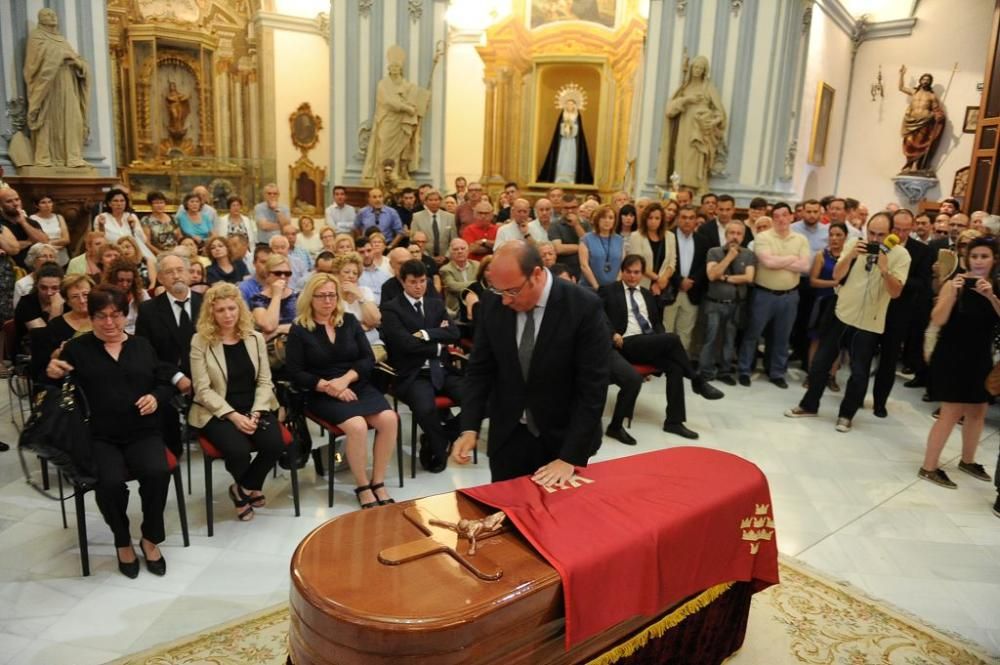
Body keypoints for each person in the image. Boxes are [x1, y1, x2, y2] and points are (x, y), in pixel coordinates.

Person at [451, 241, 610, 486]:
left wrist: (569, 457)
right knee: (508, 512)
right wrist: (469, 427)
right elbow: (480, 370)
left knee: (558, 518)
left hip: (562, 438)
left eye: (512, 291)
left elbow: (592, 388)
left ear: (536, 274)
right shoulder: (493, 304)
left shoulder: (582, 306)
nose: (504, 300)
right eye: (498, 290)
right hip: (508, 435)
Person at [46, 286, 175, 578]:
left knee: (157, 472)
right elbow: (56, 389)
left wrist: (156, 397)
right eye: (101, 316)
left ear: (125, 314)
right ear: (90, 318)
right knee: (109, 483)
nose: (109, 323)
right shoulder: (76, 349)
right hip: (99, 434)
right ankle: (121, 539)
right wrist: (51, 372)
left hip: (143, 431)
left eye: (116, 315)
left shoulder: (142, 346)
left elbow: (164, 383)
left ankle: (150, 536)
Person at [786, 213, 910, 432]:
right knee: (821, 363)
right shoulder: (854, 244)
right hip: (841, 313)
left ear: (891, 233)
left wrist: (884, 268)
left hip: (869, 322)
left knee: (859, 372)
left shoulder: (901, 256)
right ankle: (809, 405)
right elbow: (836, 274)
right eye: (871, 232)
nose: (875, 238)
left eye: (881, 234)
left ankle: (846, 415)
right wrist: (850, 255)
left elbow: (896, 292)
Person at [285, 273, 399, 508]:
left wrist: (346, 380)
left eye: (331, 295)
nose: (327, 301)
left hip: (355, 384)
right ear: (310, 297)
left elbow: (367, 359)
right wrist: (330, 387)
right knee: (356, 425)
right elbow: (295, 372)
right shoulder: (299, 328)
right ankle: (362, 485)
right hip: (319, 391)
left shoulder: (348, 320)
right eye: (321, 296)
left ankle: (378, 481)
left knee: (390, 419)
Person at [600, 254, 723, 442]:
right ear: (622, 272)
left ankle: (674, 422)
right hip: (625, 343)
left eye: (637, 272)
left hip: (648, 343)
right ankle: (697, 380)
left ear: (642, 274)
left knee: (675, 366)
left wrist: (659, 340)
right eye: (629, 272)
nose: (632, 276)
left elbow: (656, 323)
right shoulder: (608, 291)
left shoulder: (647, 294)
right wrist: (612, 333)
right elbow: (599, 316)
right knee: (673, 339)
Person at [189, 283, 282, 522]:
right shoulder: (200, 341)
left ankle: (241, 489)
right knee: (238, 451)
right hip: (216, 409)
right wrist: (233, 416)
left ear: (240, 309)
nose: (228, 315)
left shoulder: (255, 338)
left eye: (232, 308)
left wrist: (257, 412)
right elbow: (202, 390)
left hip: (254, 405)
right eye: (221, 310)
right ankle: (251, 488)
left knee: (275, 444)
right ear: (211, 313)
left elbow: (264, 380)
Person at [915, 237, 999, 489]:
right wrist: (951, 292)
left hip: (981, 356)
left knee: (977, 410)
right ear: (967, 259)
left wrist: (991, 297)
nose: (979, 261)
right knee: (951, 412)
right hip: (951, 356)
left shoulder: (995, 286)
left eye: (985, 256)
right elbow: (937, 319)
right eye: (975, 256)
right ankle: (928, 466)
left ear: (994, 259)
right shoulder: (954, 283)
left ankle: (967, 460)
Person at [381, 259, 464, 472]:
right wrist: (437, 346)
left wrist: (426, 334)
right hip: (414, 373)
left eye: (422, 281)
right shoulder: (392, 309)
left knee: (481, 400)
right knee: (425, 409)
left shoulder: (435, 304)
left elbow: (454, 334)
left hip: (443, 369)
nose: (419, 286)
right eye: (413, 282)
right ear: (403, 282)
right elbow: (405, 344)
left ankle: (442, 436)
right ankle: (438, 445)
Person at [737, 202, 810, 387]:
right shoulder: (763, 237)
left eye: (785, 215)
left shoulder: (800, 239)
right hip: (764, 295)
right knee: (753, 333)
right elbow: (768, 262)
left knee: (782, 336)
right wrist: (793, 259)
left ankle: (776, 372)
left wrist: (781, 261)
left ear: (792, 217)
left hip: (789, 296)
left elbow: (805, 266)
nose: (781, 219)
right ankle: (744, 370)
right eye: (776, 216)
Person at [135, 253, 200, 455]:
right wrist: (177, 376)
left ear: (189, 274)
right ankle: (173, 447)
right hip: (166, 374)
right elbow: (146, 352)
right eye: (169, 272)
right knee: (160, 400)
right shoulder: (148, 310)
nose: (176, 276)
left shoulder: (207, 303)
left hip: (206, 373)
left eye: (180, 270)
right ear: (160, 279)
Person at [872, 209, 932, 416]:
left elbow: (922, 283)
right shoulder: (879, 244)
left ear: (912, 228)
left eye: (906, 230)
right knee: (862, 356)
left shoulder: (922, 251)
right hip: (873, 307)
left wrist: (895, 279)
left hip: (898, 312)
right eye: (896, 228)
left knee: (888, 361)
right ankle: (855, 396)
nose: (900, 234)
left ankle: (880, 403)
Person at [24, 8, 90, 168]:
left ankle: (73, 157)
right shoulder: (36, 37)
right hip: (48, 88)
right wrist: (60, 55)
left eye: (54, 14)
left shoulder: (62, 40)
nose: (53, 16)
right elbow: (32, 66)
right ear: (40, 19)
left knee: (74, 119)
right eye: (47, 14)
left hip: (68, 84)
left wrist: (77, 64)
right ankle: (46, 158)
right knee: (48, 121)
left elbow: (80, 61)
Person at [657, 55, 727, 195]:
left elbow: (720, 113)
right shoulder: (684, 88)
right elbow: (669, 110)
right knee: (680, 159)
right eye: (695, 67)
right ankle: (679, 188)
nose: (697, 70)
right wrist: (686, 99)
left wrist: (710, 121)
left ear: (704, 70)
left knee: (695, 161)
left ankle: (694, 190)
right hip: (683, 129)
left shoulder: (708, 88)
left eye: (701, 68)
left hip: (698, 130)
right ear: (691, 68)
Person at [699, 221, 756, 385]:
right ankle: (705, 371)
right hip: (714, 303)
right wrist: (729, 257)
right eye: (732, 233)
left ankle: (725, 371)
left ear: (743, 236)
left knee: (730, 340)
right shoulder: (714, 252)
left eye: (739, 234)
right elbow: (711, 275)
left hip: (736, 304)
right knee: (710, 338)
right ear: (726, 234)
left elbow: (749, 278)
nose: (735, 237)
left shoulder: (748, 254)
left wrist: (724, 277)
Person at [805, 222, 847, 391]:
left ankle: (831, 376)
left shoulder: (849, 256)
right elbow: (813, 281)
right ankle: (811, 375)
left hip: (843, 303)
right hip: (823, 301)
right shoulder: (821, 255)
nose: (834, 238)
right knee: (816, 339)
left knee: (838, 341)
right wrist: (835, 283)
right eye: (832, 235)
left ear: (845, 237)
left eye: (839, 235)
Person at [665, 204, 708, 352]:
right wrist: (679, 281)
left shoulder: (702, 240)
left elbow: (703, 265)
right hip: (670, 291)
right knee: (666, 331)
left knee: (685, 333)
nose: (687, 221)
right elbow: (665, 263)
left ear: (696, 220)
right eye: (683, 217)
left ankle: (680, 365)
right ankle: (663, 366)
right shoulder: (667, 236)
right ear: (677, 218)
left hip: (691, 292)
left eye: (691, 218)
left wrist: (692, 281)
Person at [332, 252, 386, 363]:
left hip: (373, 344)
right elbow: (335, 326)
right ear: (337, 274)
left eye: (355, 273)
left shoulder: (365, 291)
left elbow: (376, 320)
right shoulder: (332, 295)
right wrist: (363, 327)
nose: (351, 275)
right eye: (346, 272)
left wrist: (360, 296)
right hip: (344, 346)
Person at [537, 90, 594, 185]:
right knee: (561, 158)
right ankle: (559, 177)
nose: (569, 106)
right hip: (563, 141)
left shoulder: (576, 115)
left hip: (572, 142)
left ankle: (571, 178)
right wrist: (564, 128)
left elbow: (578, 131)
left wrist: (572, 128)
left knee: (571, 159)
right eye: (567, 104)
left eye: (571, 104)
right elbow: (559, 130)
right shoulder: (563, 115)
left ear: (575, 106)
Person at [898, 67, 946, 173]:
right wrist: (901, 75)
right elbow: (901, 88)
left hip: (924, 122)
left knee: (919, 144)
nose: (925, 81)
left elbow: (936, 109)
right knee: (909, 143)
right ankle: (908, 164)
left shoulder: (932, 96)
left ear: (930, 82)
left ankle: (915, 165)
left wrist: (939, 115)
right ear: (920, 81)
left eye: (927, 80)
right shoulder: (914, 92)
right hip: (911, 121)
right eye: (924, 79)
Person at [13, 261, 63, 354]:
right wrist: (55, 308)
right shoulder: (27, 303)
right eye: (43, 288)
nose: (49, 293)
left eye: (54, 288)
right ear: (36, 285)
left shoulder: (67, 301)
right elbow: (44, 341)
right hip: (30, 354)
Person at [627, 202, 676, 294]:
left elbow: (672, 263)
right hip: (641, 285)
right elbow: (637, 263)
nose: (653, 221)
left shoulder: (670, 236)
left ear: (662, 220)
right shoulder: (636, 236)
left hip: (661, 287)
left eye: (657, 218)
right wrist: (657, 278)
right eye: (650, 218)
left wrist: (662, 280)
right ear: (645, 219)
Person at [0, 187, 53, 272]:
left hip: (33, 270)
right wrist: (29, 242)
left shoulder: (30, 222)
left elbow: (44, 242)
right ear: (1, 205)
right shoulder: (1, 225)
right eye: (9, 201)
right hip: (8, 270)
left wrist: (23, 223)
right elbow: (11, 249)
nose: (15, 204)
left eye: (17, 199)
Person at [251, 254, 298, 343]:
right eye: (278, 273)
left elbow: (306, 325)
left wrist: (278, 330)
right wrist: (277, 295)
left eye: (287, 273)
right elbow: (269, 326)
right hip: (271, 350)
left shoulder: (297, 296)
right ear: (268, 275)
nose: (283, 277)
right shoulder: (258, 299)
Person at [579, 204, 625, 290]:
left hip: (613, 288)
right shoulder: (586, 239)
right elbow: (584, 266)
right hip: (590, 288)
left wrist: (616, 284)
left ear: (615, 221)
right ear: (597, 219)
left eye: (611, 218)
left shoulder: (619, 240)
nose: (607, 221)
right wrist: (596, 286)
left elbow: (622, 265)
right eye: (603, 217)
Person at [102, 257, 148, 335]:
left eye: (129, 281)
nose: (125, 284)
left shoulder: (142, 294)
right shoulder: (103, 295)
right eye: (120, 280)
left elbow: (149, 319)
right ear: (112, 278)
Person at [410, 190, 457, 263]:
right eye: (430, 200)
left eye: (436, 200)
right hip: (424, 259)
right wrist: (428, 258)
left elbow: (454, 240)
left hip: (446, 260)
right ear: (425, 202)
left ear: (441, 201)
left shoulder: (450, 217)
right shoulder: (417, 217)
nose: (433, 202)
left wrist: (446, 257)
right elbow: (413, 240)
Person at [439, 238, 479, 317]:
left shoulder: (477, 265)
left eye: (463, 248)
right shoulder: (445, 269)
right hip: (457, 311)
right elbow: (453, 286)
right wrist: (476, 285)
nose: (460, 251)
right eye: (455, 249)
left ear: (468, 251)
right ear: (450, 253)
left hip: (477, 306)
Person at [29, 194, 70, 266]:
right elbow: (34, 240)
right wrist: (51, 246)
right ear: (37, 205)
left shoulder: (59, 217)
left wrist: (47, 243)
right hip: (42, 255)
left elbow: (66, 239)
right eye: (43, 202)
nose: (47, 205)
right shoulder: (32, 218)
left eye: (49, 202)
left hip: (61, 254)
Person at [12, 242, 58, 308]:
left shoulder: (63, 280)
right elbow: (18, 311)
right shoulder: (22, 284)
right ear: (33, 260)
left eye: (51, 256)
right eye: (44, 256)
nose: (48, 260)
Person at [140, 191, 180, 255]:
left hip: (176, 252)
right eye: (156, 203)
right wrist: (160, 253)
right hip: (158, 254)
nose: (159, 205)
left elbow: (179, 237)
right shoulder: (146, 220)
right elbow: (147, 242)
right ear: (151, 205)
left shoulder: (173, 218)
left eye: (161, 202)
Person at [459, 255, 493, 328]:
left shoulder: (503, 287)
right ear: (482, 272)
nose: (491, 273)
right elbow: (472, 315)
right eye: (487, 270)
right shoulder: (473, 289)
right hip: (475, 327)